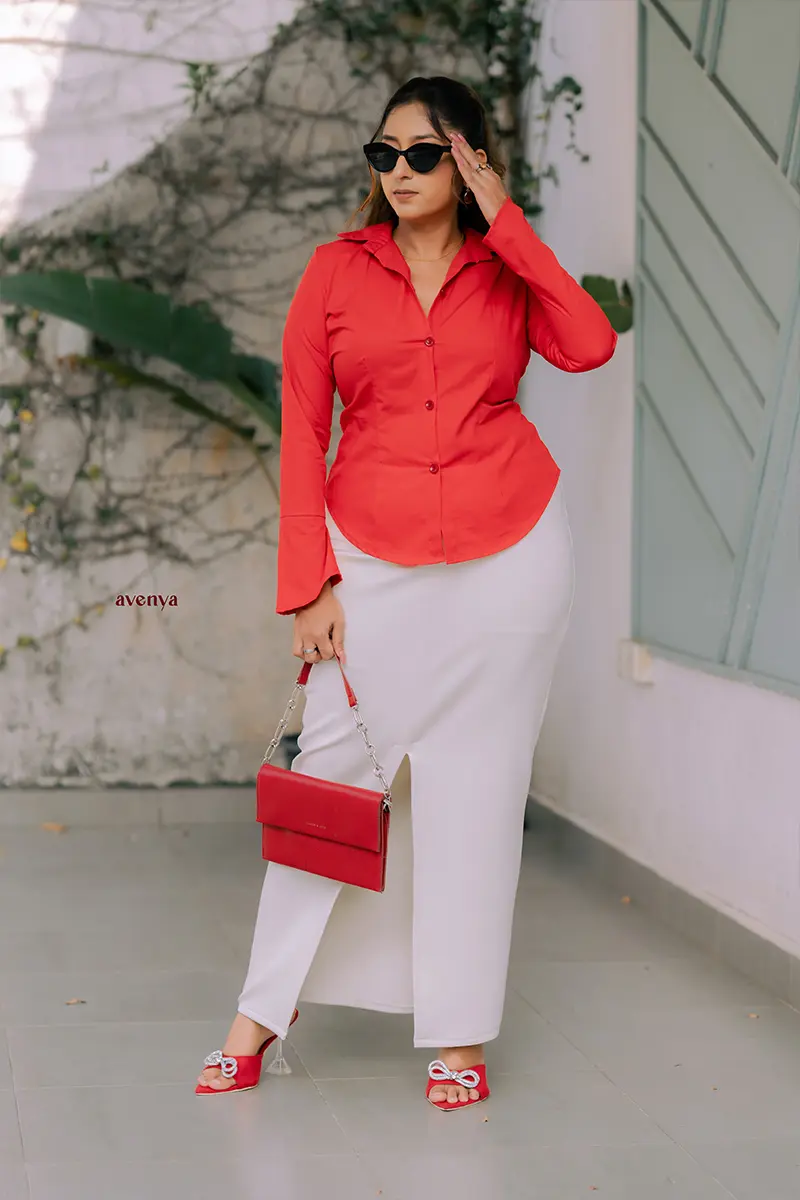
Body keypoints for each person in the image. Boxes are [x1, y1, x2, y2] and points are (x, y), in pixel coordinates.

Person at [196, 75, 616, 1110]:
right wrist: (309, 587)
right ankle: (259, 1013)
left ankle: (459, 1035)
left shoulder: (505, 267)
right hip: (371, 558)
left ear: (467, 162)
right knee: (333, 779)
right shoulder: (334, 273)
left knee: (477, 792)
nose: (398, 172)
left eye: (424, 154)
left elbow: (588, 342)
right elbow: (304, 430)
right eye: (382, 154)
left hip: (508, 559)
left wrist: (505, 220)